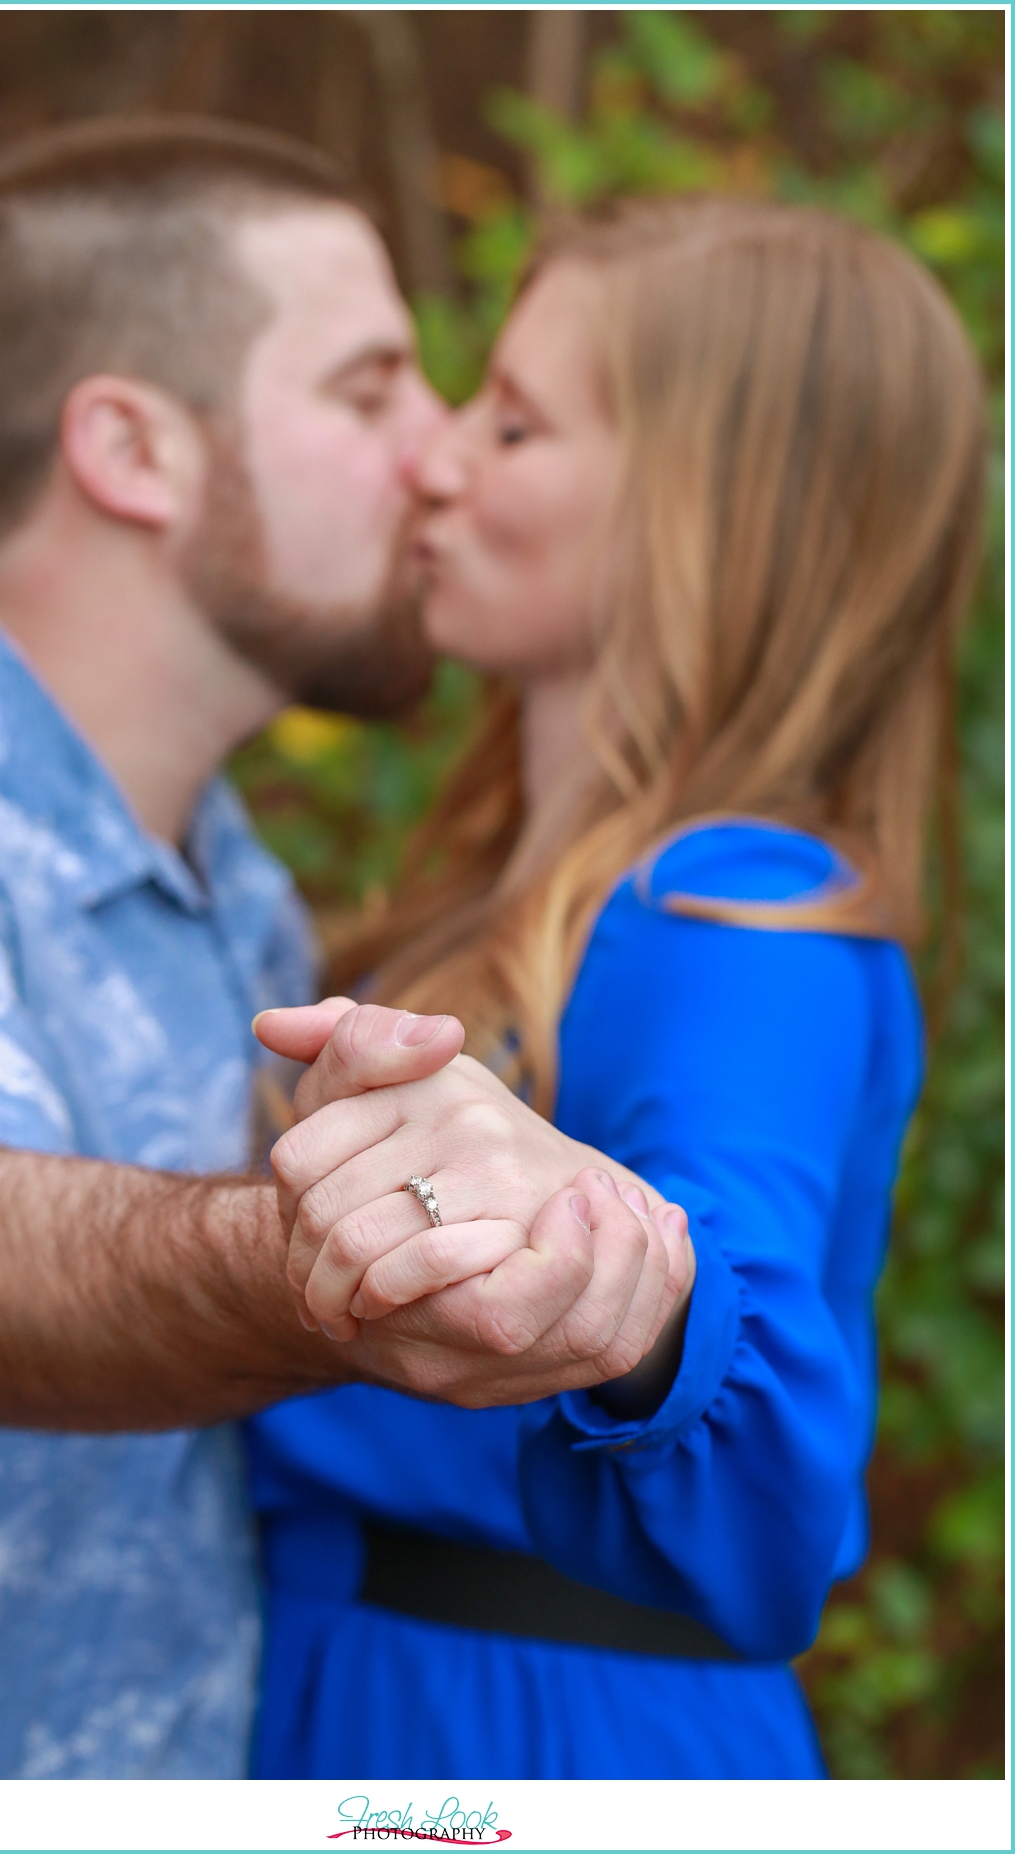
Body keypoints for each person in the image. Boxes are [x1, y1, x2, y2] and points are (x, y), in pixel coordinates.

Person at [0, 117, 687, 1779]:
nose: (441, 460)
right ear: (134, 451)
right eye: (371, 394)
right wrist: (335, 1256)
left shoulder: (240, 882)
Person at [245, 196, 987, 1778]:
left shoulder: (738, 910)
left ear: (715, 510)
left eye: (512, 426)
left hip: (533, 1737)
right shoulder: (541, 890)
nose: (433, 460)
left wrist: (642, 1305)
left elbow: (758, 1382)